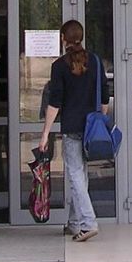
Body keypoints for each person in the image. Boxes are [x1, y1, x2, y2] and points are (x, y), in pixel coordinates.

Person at [37, 20, 108, 242]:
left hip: (71, 127)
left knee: (76, 175)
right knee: (82, 175)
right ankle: (75, 222)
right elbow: (105, 96)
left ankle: (88, 223)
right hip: (91, 129)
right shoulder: (95, 61)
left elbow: (55, 103)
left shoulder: (59, 66)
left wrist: (45, 133)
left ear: (63, 39)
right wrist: (100, 121)